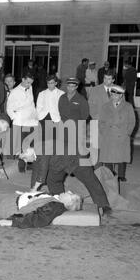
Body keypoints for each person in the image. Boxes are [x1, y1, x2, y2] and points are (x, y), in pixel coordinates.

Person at [30, 78, 110, 215]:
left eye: (74, 85)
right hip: (63, 133)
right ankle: (60, 200)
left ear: (77, 87)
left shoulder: (81, 99)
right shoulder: (62, 98)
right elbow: (60, 113)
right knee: (53, 179)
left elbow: (85, 115)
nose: (71, 87)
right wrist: (31, 191)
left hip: (76, 133)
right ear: (67, 86)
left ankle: (104, 204)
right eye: (69, 85)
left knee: (89, 177)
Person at [99, 85, 136, 182]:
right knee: (108, 157)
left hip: (122, 134)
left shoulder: (128, 106)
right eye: (112, 94)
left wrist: (128, 133)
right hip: (109, 134)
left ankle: (121, 175)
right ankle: (109, 174)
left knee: (121, 157)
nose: (114, 96)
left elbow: (132, 121)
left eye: (117, 94)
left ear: (121, 96)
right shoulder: (105, 106)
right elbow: (101, 121)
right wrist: (103, 131)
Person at [6, 72, 38, 172]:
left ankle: (30, 164)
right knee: (21, 145)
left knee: (31, 144)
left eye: (31, 83)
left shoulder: (30, 87)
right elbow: (9, 108)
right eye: (28, 82)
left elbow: (32, 103)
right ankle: (21, 165)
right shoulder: (15, 92)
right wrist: (15, 118)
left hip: (32, 121)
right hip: (20, 122)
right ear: (23, 79)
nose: (29, 85)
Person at [0, 192, 82, 228]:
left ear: (68, 202)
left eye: (70, 194)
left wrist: (13, 222)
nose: (67, 192)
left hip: (17, 210)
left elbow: (40, 219)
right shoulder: (55, 200)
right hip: (20, 205)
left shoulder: (56, 206)